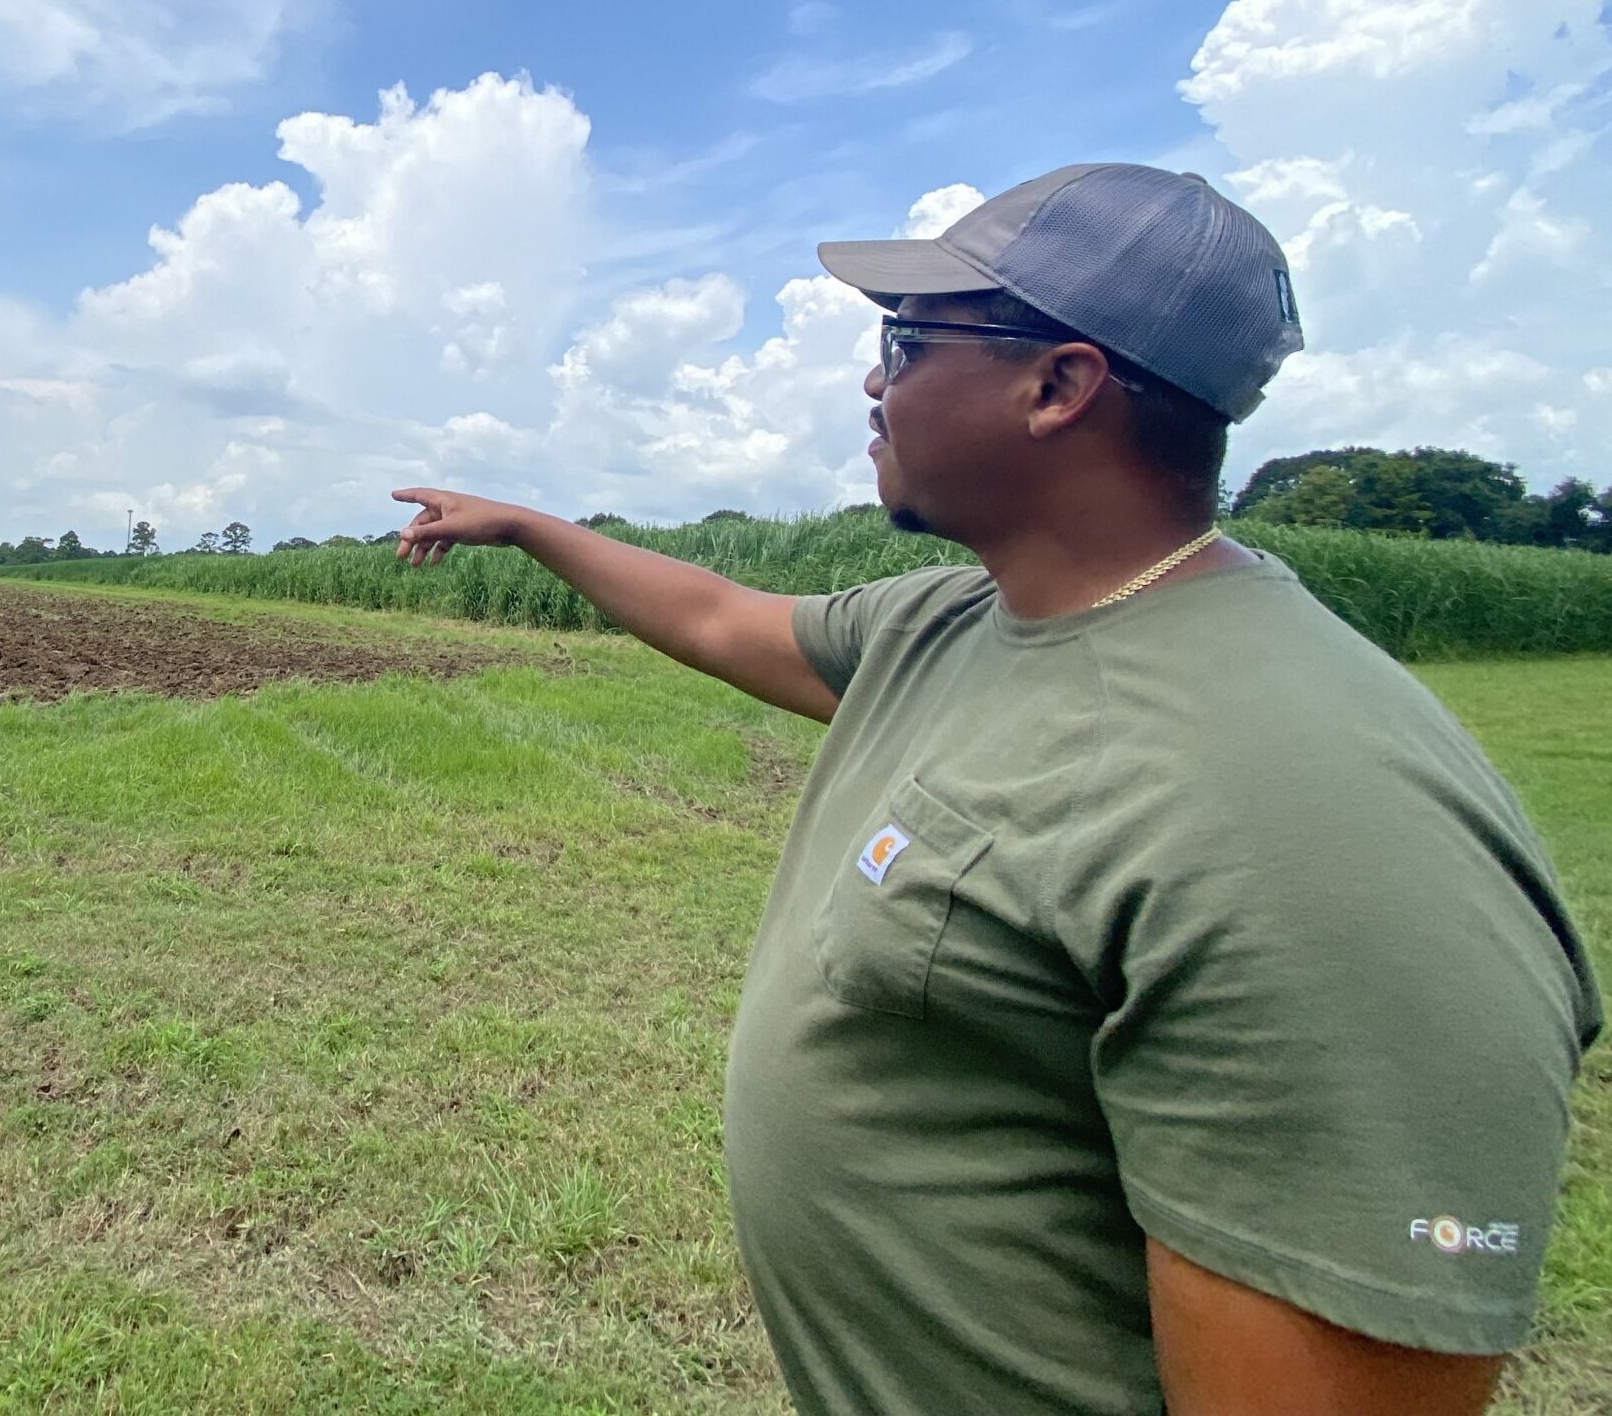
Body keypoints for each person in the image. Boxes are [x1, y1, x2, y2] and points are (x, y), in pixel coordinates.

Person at [392, 163, 1600, 1415]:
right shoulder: (959, 620)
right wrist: (529, 524)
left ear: (1059, 385)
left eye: (907, 341)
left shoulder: (1313, 809)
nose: (874, 378)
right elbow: (718, 614)